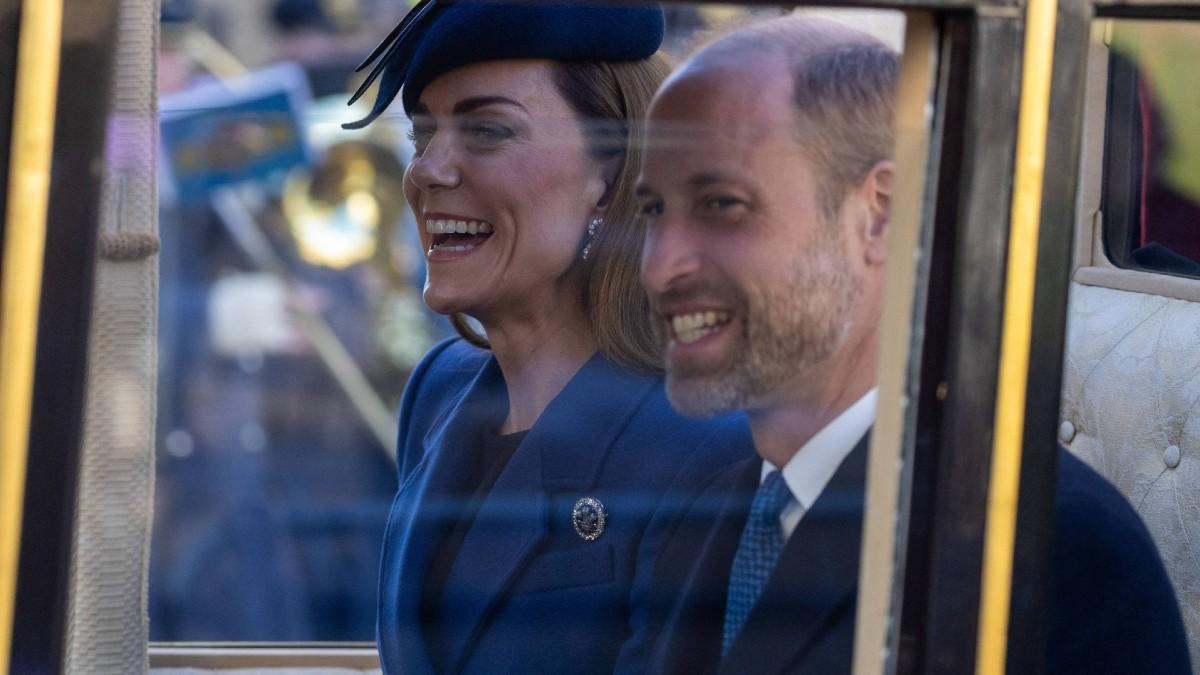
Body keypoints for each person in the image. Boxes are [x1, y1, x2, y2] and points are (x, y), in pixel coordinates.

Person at [633, 15, 1192, 675]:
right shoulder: (698, 509)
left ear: (879, 212)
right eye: (652, 211)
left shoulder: (1052, 549)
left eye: (721, 205)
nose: (660, 265)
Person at [343, 3, 752, 674]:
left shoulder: (706, 443)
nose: (427, 172)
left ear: (615, 174)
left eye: (487, 130)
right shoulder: (439, 389)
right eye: (423, 135)